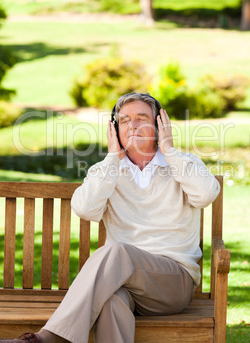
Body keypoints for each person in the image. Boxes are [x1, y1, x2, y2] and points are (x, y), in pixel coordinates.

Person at [3, 92, 220, 343]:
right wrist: (112, 160)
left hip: (172, 283)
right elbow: (85, 209)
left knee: (117, 251)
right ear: (115, 129)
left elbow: (205, 195)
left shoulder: (183, 164)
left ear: (161, 125)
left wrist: (169, 150)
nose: (133, 125)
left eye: (141, 118)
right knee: (111, 303)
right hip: (123, 283)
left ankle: (49, 339)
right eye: (125, 120)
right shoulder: (107, 170)